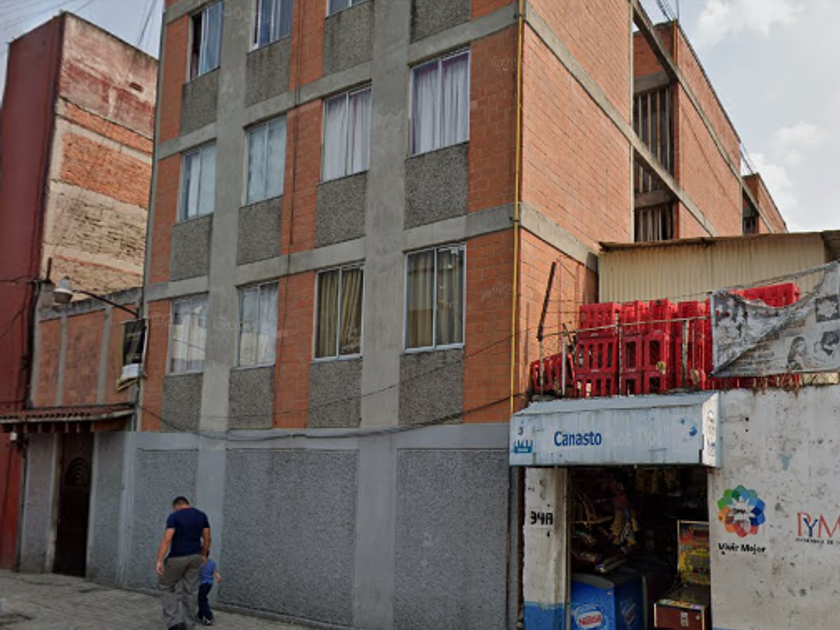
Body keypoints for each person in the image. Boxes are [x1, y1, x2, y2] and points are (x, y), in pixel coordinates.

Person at [155, 496, 211, 630]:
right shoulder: (201, 515)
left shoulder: (174, 516)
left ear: (176, 506)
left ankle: (174, 623)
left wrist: (159, 560)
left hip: (177, 557)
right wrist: (204, 554)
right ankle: (188, 625)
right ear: (187, 504)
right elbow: (207, 538)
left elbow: (167, 539)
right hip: (195, 557)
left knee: (166, 585)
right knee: (191, 590)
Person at [196, 554, 222, 626]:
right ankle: (200, 615)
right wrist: (219, 578)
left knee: (201, 600)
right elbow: (215, 572)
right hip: (209, 584)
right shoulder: (212, 562)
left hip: (203, 584)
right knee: (203, 599)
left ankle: (208, 617)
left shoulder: (200, 563)